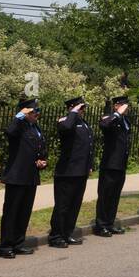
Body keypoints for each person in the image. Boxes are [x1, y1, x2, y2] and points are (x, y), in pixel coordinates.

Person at [0, 98, 46, 258]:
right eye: (33, 112)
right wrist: (19, 116)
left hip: (31, 176)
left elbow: (40, 148)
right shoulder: (18, 126)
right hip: (16, 176)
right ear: (25, 113)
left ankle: (18, 243)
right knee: (12, 212)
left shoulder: (35, 127)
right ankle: (6, 245)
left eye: (37, 111)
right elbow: (10, 132)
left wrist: (42, 160)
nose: (36, 114)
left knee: (24, 212)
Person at [49, 96, 94, 248]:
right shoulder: (64, 121)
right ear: (71, 108)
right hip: (67, 172)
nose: (82, 111)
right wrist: (73, 113)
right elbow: (67, 128)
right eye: (80, 108)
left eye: (83, 108)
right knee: (63, 205)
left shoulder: (83, 123)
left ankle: (67, 233)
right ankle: (56, 236)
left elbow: (87, 147)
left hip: (80, 171)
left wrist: (89, 165)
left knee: (75, 205)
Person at [95, 95, 131, 236]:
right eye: (123, 105)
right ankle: (101, 225)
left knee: (115, 195)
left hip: (120, 164)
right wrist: (117, 113)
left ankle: (109, 222)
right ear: (116, 106)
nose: (126, 108)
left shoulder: (125, 120)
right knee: (105, 194)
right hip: (110, 163)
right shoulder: (109, 117)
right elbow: (104, 125)